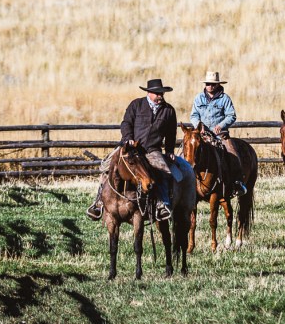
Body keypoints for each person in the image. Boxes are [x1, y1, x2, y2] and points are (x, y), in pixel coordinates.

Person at [87, 78, 177, 221]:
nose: (160, 96)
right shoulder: (136, 105)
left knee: (165, 171)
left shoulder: (169, 111)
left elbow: (171, 133)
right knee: (106, 166)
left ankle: (161, 204)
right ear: (149, 93)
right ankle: (98, 202)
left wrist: (170, 151)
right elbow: (126, 123)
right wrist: (128, 138)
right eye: (157, 93)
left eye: (161, 93)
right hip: (130, 147)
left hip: (152, 150)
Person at [190, 71, 244, 194]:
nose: (210, 86)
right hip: (203, 134)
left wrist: (221, 125)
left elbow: (231, 115)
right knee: (187, 151)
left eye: (213, 84)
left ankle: (237, 182)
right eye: (208, 84)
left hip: (220, 135)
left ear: (218, 85)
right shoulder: (199, 98)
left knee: (232, 153)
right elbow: (193, 115)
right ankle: (184, 181)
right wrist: (199, 125)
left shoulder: (225, 98)